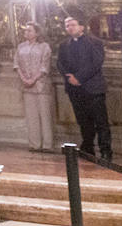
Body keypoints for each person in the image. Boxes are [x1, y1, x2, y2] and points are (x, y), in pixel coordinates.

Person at [57, 16, 112, 159]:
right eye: (67, 25)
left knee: (100, 121)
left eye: (73, 25)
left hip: (93, 88)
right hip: (75, 90)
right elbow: (60, 63)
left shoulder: (95, 42)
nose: (70, 28)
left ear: (81, 27)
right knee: (83, 120)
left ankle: (105, 150)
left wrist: (79, 78)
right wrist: (69, 77)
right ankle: (87, 147)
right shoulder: (64, 45)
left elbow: (96, 62)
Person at [13, 22, 55, 152]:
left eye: (30, 30)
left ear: (37, 33)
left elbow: (45, 66)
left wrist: (33, 79)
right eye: (26, 30)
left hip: (41, 85)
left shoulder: (44, 47)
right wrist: (24, 79)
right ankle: (34, 144)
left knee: (45, 115)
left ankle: (47, 144)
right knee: (31, 116)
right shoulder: (21, 47)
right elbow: (16, 64)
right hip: (26, 85)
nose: (27, 33)